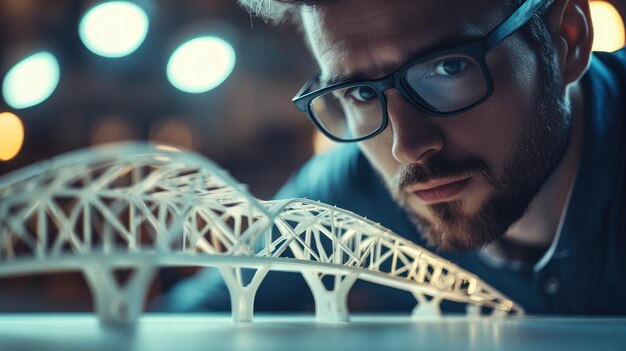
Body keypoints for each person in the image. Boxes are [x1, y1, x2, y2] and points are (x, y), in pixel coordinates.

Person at [158, 0, 626, 314]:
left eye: (449, 68)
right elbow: (184, 323)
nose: (406, 145)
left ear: (568, 37)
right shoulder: (346, 198)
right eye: (360, 93)